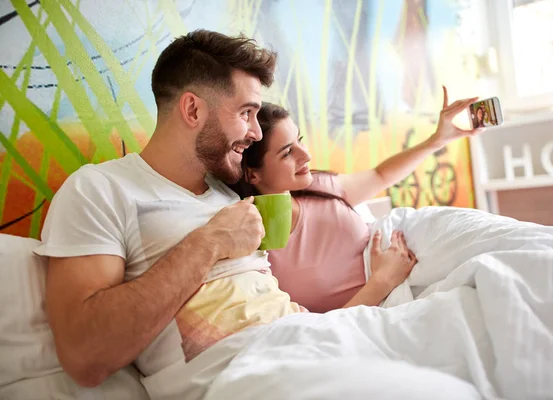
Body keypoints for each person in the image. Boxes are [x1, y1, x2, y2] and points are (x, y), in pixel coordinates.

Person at [34, 30, 306, 388]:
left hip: (309, 340)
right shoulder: (100, 189)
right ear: (192, 109)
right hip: (263, 376)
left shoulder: (227, 192)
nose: (256, 132)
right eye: (246, 113)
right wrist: (210, 242)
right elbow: (84, 355)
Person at [229, 89, 483, 313]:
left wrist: (439, 139)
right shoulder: (257, 249)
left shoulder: (316, 187)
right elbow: (310, 329)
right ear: (253, 173)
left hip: (408, 249)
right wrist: (382, 281)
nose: (305, 154)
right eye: (287, 152)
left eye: (300, 141)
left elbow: (380, 174)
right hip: (382, 297)